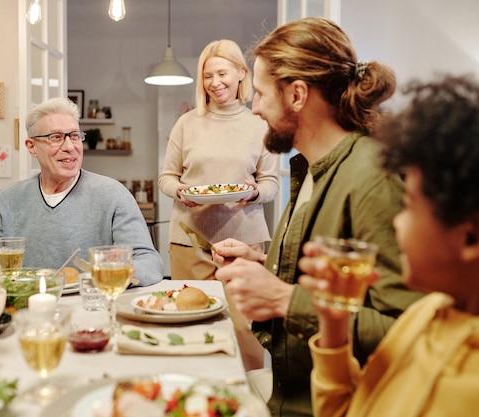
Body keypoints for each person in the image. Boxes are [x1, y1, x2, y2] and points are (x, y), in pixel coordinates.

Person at [213, 18, 425, 416]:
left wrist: (283, 298)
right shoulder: (311, 168)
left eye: (259, 94)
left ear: (297, 94)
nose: (254, 107)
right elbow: (343, 284)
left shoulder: (373, 179)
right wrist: (264, 265)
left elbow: (414, 331)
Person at [298, 74, 479, 417]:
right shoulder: (424, 315)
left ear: (469, 237)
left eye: (409, 205)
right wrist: (334, 329)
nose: (396, 220)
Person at [0, 97, 164, 287]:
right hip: (25, 310)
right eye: (56, 137)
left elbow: (150, 261)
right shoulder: (2, 204)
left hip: (93, 310)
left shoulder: (114, 195)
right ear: (32, 147)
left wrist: (126, 269)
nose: (70, 147)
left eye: (74, 136)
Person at [158, 39, 279, 281]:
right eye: (207, 76)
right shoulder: (186, 123)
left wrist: (255, 193)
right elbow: (166, 177)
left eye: (222, 73)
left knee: (243, 317)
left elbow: (271, 183)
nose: (215, 83)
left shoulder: (261, 124)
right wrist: (180, 190)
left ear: (242, 73)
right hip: (190, 239)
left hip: (245, 242)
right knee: (189, 312)